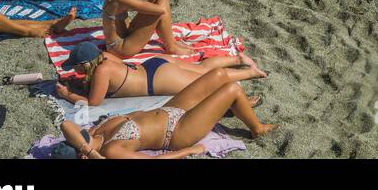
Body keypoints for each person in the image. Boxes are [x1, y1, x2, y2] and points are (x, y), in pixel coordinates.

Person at [58, 70, 276, 158]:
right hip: (177, 132)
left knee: (218, 75)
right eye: (78, 142)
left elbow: (65, 126)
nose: (80, 133)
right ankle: (257, 129)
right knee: (232, 89)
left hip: (170, 109)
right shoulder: (113, 150)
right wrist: (190, 150)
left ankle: (234, 107)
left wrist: (85, 146)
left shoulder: (95, 131)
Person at [55, 44, 265, 107]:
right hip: (154, 64)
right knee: (201, 68)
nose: (75, 71)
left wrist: (67, 95)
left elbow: (93, 102)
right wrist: (80, 82)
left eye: (76, 68)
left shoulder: (101, 71)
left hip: (157, 80)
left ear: (85, 64)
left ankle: (246, 88)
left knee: (207, 85)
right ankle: (240, 61)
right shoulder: (105, 58)